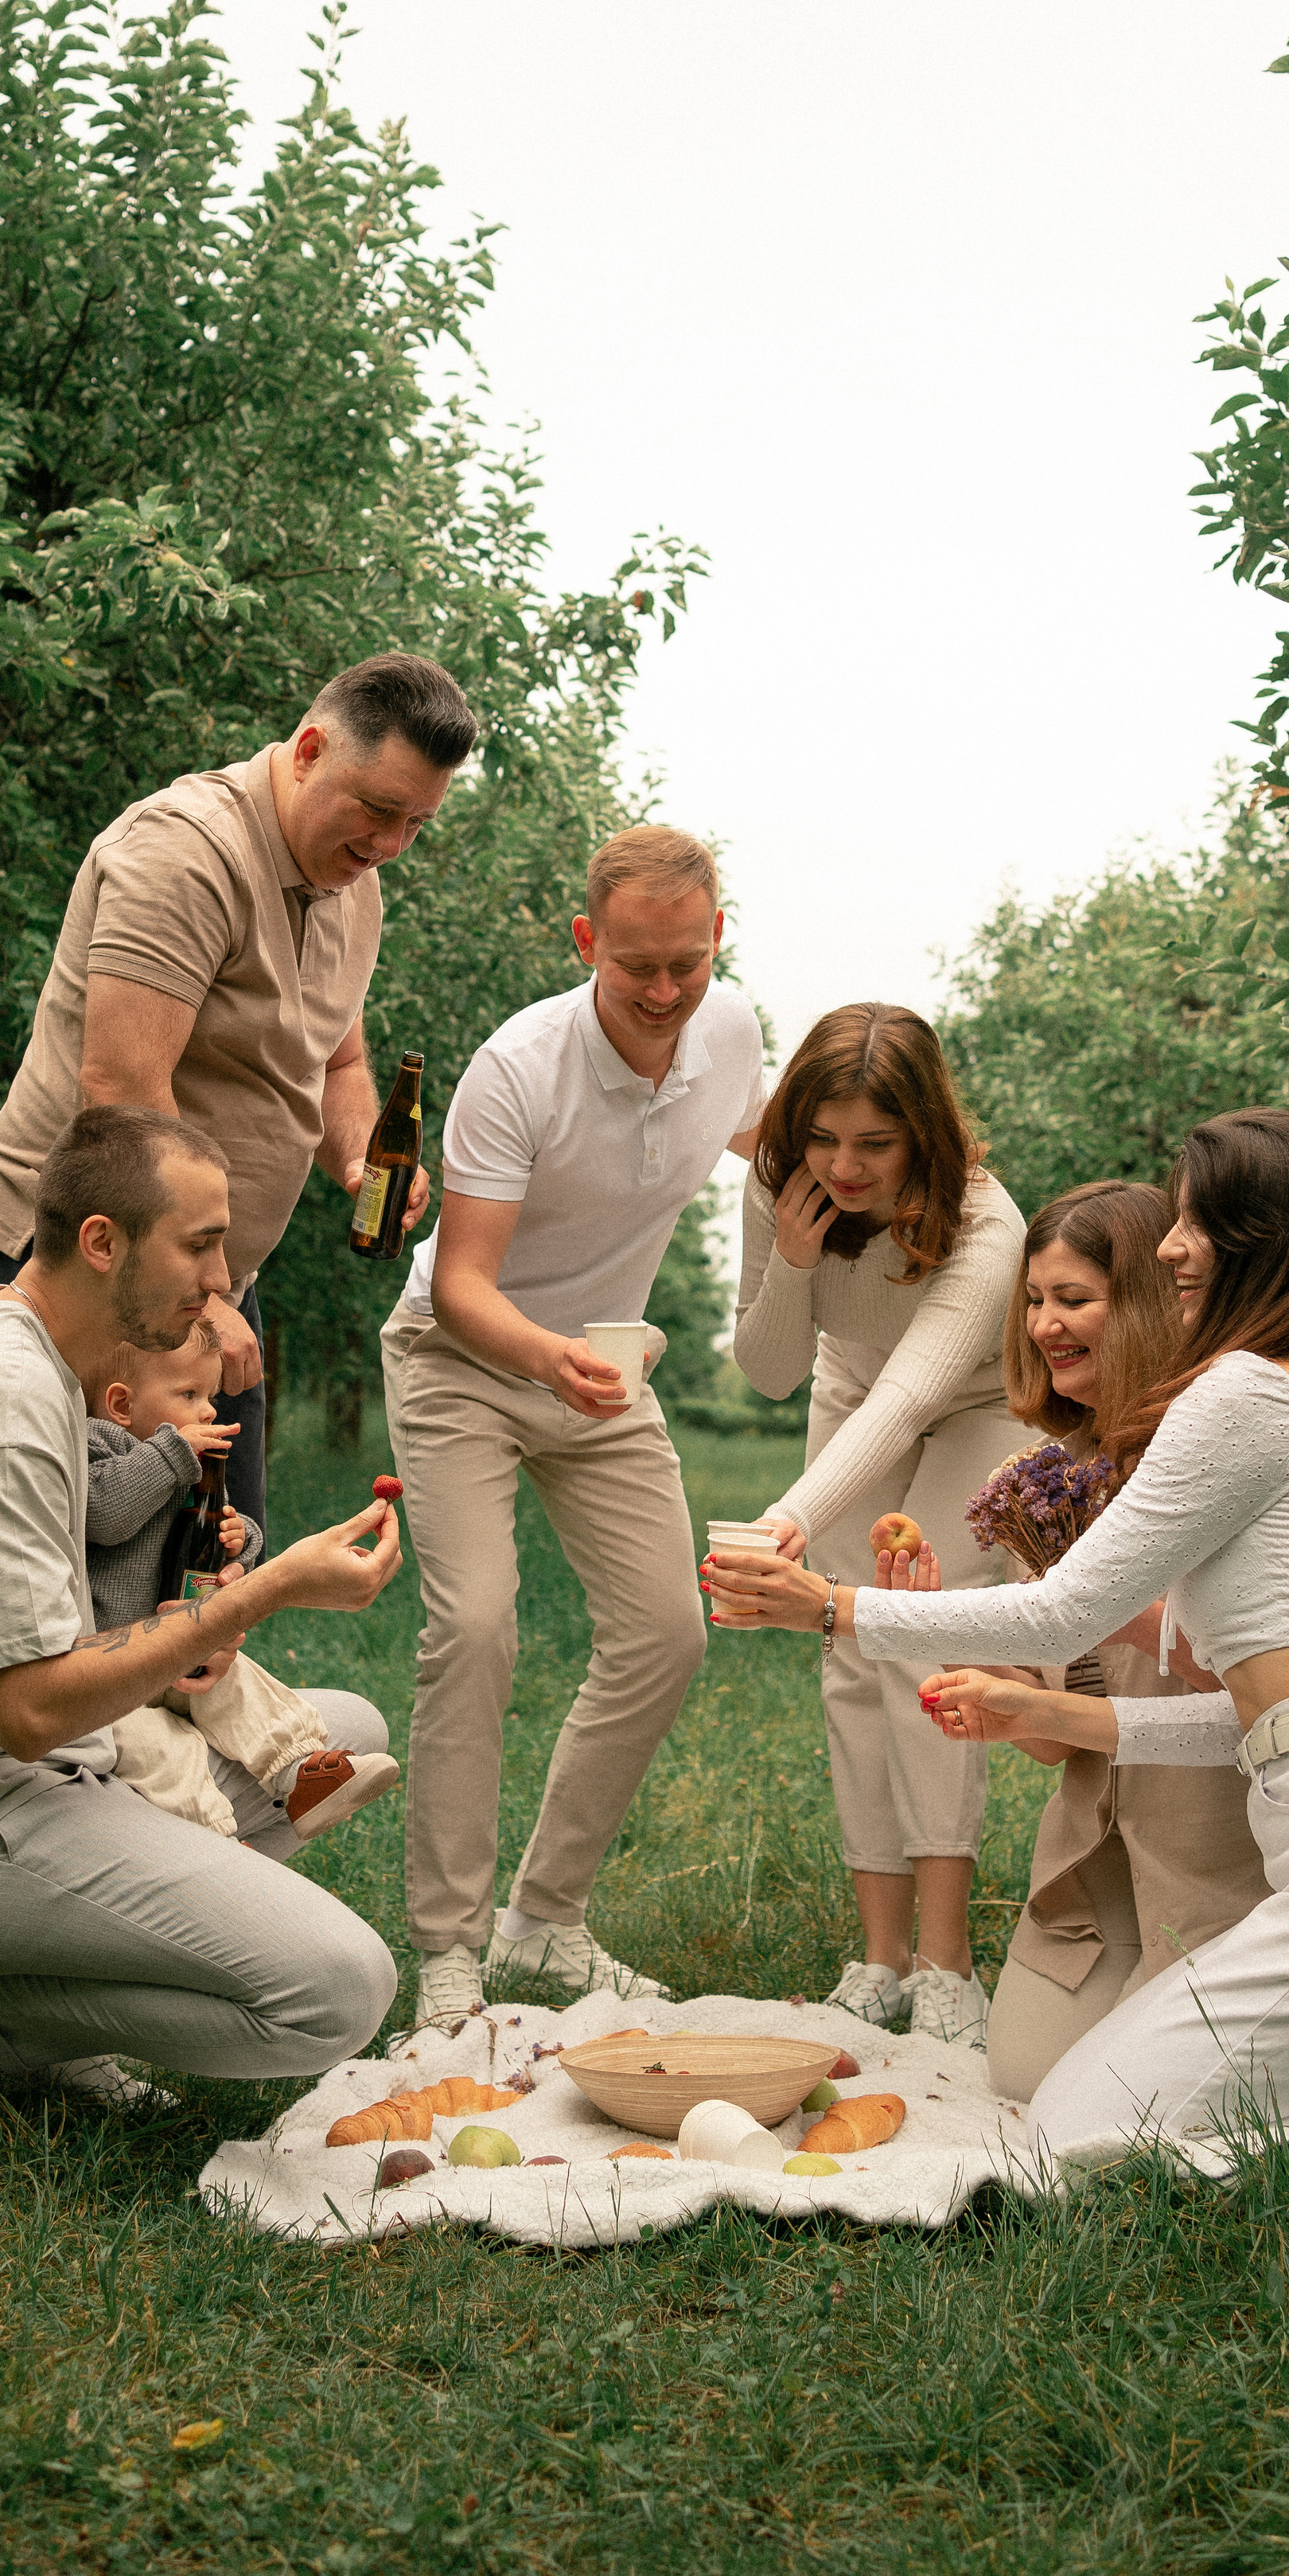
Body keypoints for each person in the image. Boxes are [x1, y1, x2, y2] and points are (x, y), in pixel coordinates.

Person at [704, 1110, 1289, 2188]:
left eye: (1198, 1221)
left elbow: (1064, 1615)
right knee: (1099, 2108)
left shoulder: (1241, 1391)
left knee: (1087, 2139)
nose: (1174, 1245)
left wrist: (830, 1607)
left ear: (1267, 1239)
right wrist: (1041, 1711)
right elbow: (1238, 1722)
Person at [0, 1105, 404, 2145]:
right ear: (102, 1241)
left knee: (346, 1737)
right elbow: (29, 1707)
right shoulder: (1, 1400)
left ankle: (3, 1977)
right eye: (200, 1245)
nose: (222, 1281)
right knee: (341, 1993)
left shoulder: (41, 1361)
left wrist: (196, 1627)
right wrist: (262, 1593)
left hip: (28, 1773)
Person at [0, 652, 477, 1536]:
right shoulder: (183, 852)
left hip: (213, 1279)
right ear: (309, 748)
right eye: (379, 810)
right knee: (69, 1594)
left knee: (211, 1576)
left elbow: (337, 1064)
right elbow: (122, 1093)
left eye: (417, 824)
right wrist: (205, 1294)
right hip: (79, 1273)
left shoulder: (355, 884)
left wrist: (357, 1161)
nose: (390, 845)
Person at [384, 825, 765, 2029]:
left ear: (719, 939)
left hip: (599, 1365)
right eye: (636, 966)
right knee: (480, 1625)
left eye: (686, 966)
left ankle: (544, 1925)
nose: (663, 994)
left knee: (667, 1634)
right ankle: (448, 1948)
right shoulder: (519, 1068)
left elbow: (788, 1143)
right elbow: (463, 1285)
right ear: (587, 942)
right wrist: (551, 1360)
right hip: (466, 1359)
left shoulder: (736, 1031)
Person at [726, 1005, 1025, 2044]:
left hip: (981, 1401)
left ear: (924, 1138)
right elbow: (766, 1372)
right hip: (852, 1391)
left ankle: (949, 1966)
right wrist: (795, 1262)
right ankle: (882, 1956)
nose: (842, 1167)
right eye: (822, 1138)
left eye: (874, 1144)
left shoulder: (987, 1224)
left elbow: (914, 1398)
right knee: (849, 1651)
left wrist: (785, 1523)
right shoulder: (783, 1188)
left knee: (918, 1627)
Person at [982, 1181, 1268, 2104]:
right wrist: (952, 1646)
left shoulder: (1217, 1456)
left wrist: (1094, 1602)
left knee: (1156, 2107)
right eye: (1034, 1301)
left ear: (1144, 1306)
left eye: (1073, 1300)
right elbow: (1046, 1737)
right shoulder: (1053, 1486)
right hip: (1095, 1869)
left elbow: (1255, 1677)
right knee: (1027, 2079)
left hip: (1213, 1856)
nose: (1044, 1327)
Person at [84, 1323, 399, 1846]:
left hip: (176, 1648)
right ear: (121, 1404)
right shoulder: (101, 1447)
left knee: (243, 1685)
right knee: (164, 1750)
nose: (208, 1410)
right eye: (189, 1395)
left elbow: (210, 1536)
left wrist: (240, 1540)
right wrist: (170, 1454)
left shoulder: (188, 1461)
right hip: (107, 1677)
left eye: (209, 1396)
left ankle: (300, 1772)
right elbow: (104, 1516)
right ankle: (216, 1843)